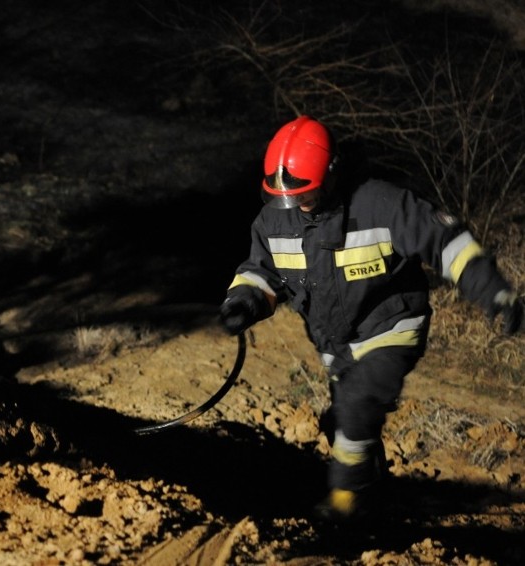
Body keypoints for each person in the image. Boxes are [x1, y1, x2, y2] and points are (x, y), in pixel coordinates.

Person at [219, 115, 523, 522]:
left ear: (331, 175)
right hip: (335, 344)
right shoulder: (275, 219)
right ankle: (378, 493)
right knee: (341, 424)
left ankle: (347, 503)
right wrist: (244, 301)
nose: (297, 204)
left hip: (391, 327)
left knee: (357, 404)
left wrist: (494, 294)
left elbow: (447, 243)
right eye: (287, 197)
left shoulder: (381, 205)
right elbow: (262, 272)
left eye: (306, 194)